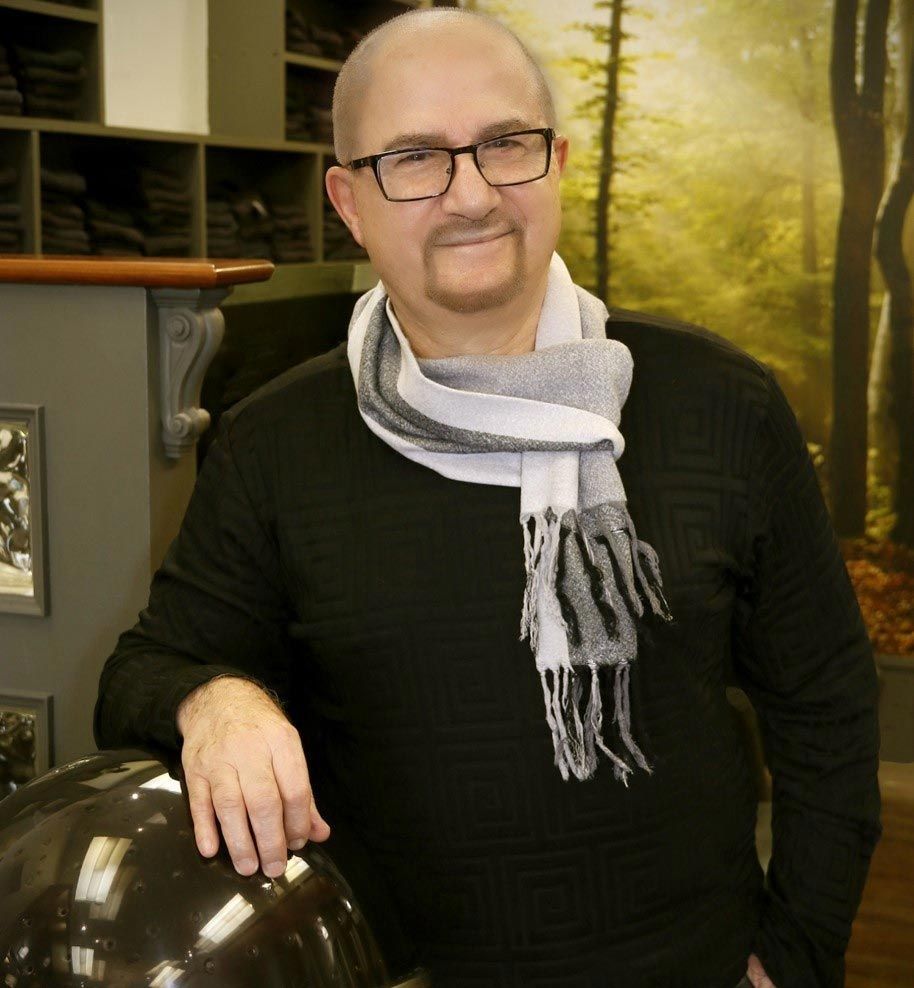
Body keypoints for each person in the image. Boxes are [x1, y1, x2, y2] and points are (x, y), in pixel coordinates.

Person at [94, 8, 882, 988]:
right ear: (348, 199)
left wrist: (793, 961)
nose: (469, 193)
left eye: (503, 145)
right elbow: (140, 674)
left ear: (554, 162)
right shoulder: (273, 443)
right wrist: (214, 699)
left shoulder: (722, 406)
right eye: (414, 158)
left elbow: (828, 709)